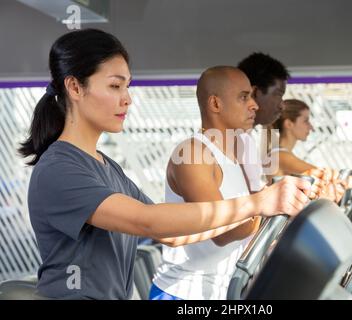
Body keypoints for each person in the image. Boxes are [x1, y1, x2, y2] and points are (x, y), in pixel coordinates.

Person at [18, 29, 311, 300]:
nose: (127, 99)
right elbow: (147, 220)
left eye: (127, 87)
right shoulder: (60, 169)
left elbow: (171, 232)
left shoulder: (107, 166)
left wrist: (265, 211)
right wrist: (256, 204)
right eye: (115, 86)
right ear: (75, 88)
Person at [150, 67, 320, 300]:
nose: (254, 105)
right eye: (243, 97)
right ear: (215, 104)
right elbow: (221, 232)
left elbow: (254, 213)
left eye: (251, 96)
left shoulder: (237, 154)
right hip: (183, 294)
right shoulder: (193, 153)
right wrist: (269, 204)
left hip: (225, 290)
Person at [269, 99, 352, 201]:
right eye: (305, 121)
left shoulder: (281, 154)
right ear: (289, 124)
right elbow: (323, 173)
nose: (311, 127)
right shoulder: (280, 155)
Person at [236, 52, 290, 192]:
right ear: (254, 93)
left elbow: (252, 197)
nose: (282, 105)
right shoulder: (229, 141)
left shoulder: (246, 141)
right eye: (278, 94)